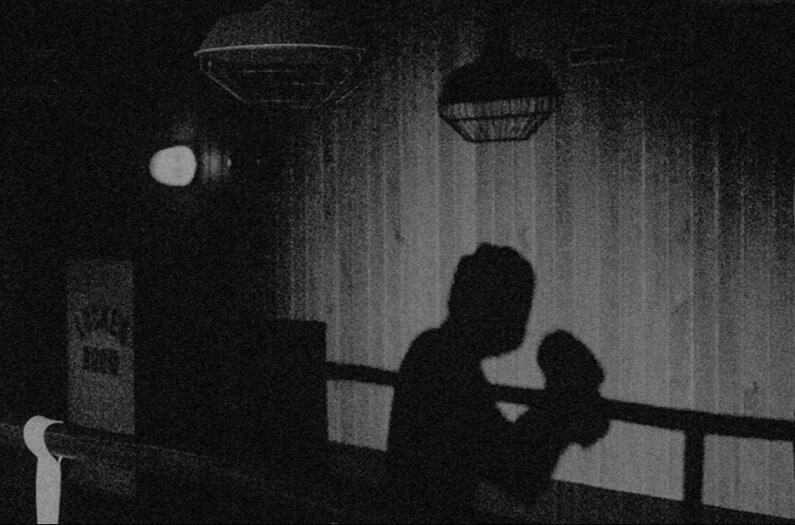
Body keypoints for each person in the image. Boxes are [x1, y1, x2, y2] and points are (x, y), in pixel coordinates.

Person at [386, 244, 609, 523]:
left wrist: (557, 409)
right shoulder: (444, 363)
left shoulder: (435, 353)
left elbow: (504, 457)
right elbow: (517, 473)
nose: (521, 321)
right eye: (515, 306)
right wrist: (562, 403)